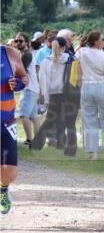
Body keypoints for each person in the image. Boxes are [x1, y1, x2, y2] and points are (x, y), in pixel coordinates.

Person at [33, 36, 78, 157]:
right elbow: (76, 78)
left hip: (55, 95)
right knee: (70, 123)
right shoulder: (72, 59)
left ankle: (36, 145)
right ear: (64, 47)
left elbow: (44, 81)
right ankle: (71, 151)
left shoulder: (46, 61)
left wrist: (45, 97)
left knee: (49, 121)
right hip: (70, 94)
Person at [76, 30, 104, 160]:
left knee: (89, 120)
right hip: (101, 86)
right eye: (102, 39)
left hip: (86, 86)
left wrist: (80, 86)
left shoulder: (82, 52)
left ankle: (92, 152)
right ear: (96, 41)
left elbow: (79, 72)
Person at [1, 38, 29, 213]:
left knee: (10, 172)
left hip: (6, 121)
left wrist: (18, 83)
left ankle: (3, 189)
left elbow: (24, 77)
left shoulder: (8, 53)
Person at [13, 34, 40, 148]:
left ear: (27, 42)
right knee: (34, 117)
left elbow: (19, 71)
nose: (18, 43)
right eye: (16, 41)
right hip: (33, 88)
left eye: (21, 41)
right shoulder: (25, 54)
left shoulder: (26, 54)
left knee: (23, 115)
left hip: (29, 89)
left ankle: (29, 141)